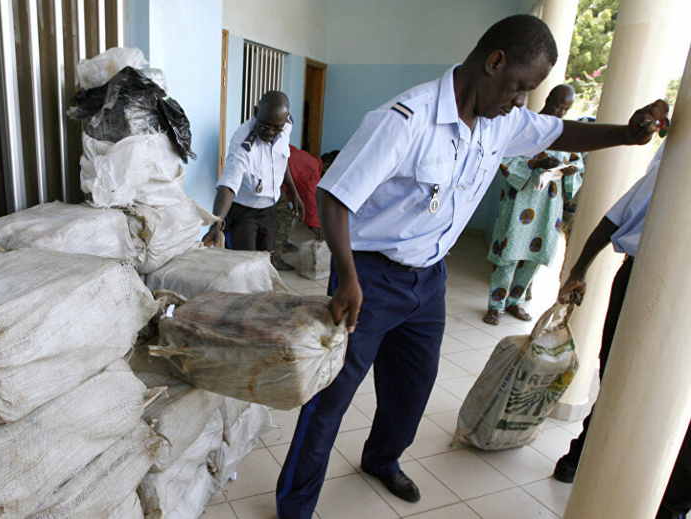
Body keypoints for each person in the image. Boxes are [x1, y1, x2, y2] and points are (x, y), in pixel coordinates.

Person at [274, 14, 668, 518]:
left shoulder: (502, 122)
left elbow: (561, 131)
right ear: (494, 61)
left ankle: (381, 459)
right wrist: (347, 277)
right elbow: (334, 197)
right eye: (519, 86)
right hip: (370, 276)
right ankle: (295, 506)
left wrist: (627, 136)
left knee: (412, 387)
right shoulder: (407, 118)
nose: (521, 100)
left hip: (430, 278)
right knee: (331, 395)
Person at [553, 141, 688, 519]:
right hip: (644, 284)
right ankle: (581, 455)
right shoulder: (678, 171)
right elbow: (617, 215)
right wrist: (577, 272)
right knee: (620, 380)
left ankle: (671, 504)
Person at [483, 84, 584, 325]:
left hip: (549, 208)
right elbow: (505, 159)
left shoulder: (564, 133)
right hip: (520, 204)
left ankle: (515, 302)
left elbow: (576, 166)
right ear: (548, 99)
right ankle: (495, 306)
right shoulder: (526, 127)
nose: (560, 112)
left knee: (533, 258)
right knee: (508, 256)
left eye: (566, 109)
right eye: (558, 105)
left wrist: (569, 170)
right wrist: (537, 164)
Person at [202, 92, 304, 254]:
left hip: (269, 208)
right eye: (264, 126)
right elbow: (228, 186)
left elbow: (280, 160)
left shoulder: (285, 126)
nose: (270, 132)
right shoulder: (243, 145)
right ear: (256, 112)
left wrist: (294, 193)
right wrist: (216, 223)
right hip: (244, 212)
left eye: (276, 128)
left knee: (265, 260)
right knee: (243, 263)